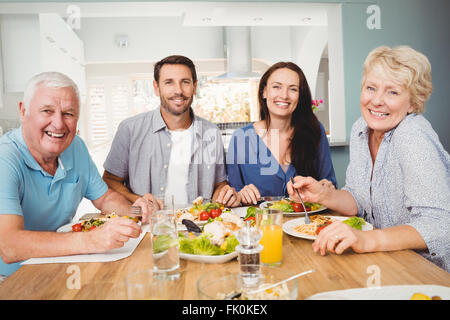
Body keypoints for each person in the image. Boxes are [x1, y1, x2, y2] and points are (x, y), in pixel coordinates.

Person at [288, 46, 450, 272]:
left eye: (392, 92)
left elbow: (440, 226)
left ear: (413, 102)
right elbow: (358, 199)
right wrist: (323, 194)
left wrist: (366, 240)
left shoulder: (412, 135)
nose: (377, 101)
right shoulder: (360, 128)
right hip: (387, 263)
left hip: (428, 273)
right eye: (371, 88)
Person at [0, 72, 151, 278]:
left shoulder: (75, 146)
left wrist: (135, 213)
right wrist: (93, 240)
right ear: (23, 111)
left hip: (60, 265)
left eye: (68, 114)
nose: (59, 124)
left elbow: (105, 198)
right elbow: (8, 246)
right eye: (47, 111)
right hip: (11, 279)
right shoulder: (5, 158)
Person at [103, 55, 240, 208]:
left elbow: (219, 184)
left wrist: (225, 194)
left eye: (185, 82)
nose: (178, 91)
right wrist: (136, 200)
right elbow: (110, 180)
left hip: (199, 226)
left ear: (194, 87)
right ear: (156, 88)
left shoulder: (211, 133)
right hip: (147, 226)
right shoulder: (130, 129)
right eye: (169, 82)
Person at [226, 62, 337, 205]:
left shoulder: (315, 131)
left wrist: (327, 189)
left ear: (300, 96)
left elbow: (330, 185)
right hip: (261, 225)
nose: (284, 95)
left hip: (307, 226)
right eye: (276, 87)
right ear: (264, 91)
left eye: (293, 89)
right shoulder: (241, 138)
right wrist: (239, 195)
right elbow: (234, 196)